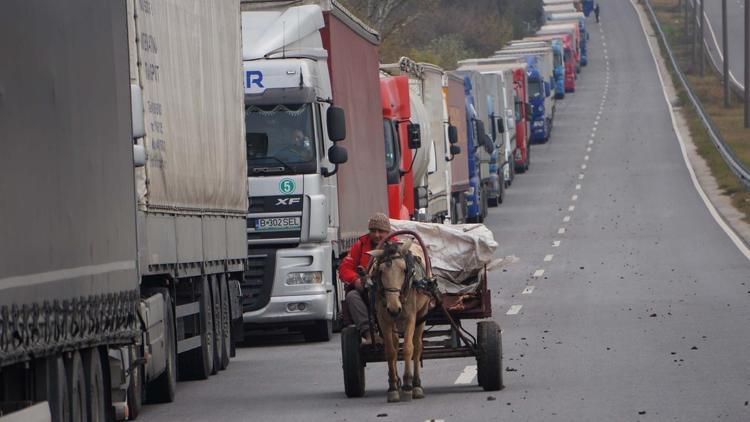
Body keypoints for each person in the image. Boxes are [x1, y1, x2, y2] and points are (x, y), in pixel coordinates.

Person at [338, 212, 391, 344]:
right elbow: (345, 268)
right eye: (373, 231)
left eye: (381, 231)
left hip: (390, 291)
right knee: (352, 297)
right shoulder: (360, 245)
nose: (377, 235)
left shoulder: (395, 245)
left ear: (387, 232)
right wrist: (356, 280)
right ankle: (370, 334)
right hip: (368, 291)